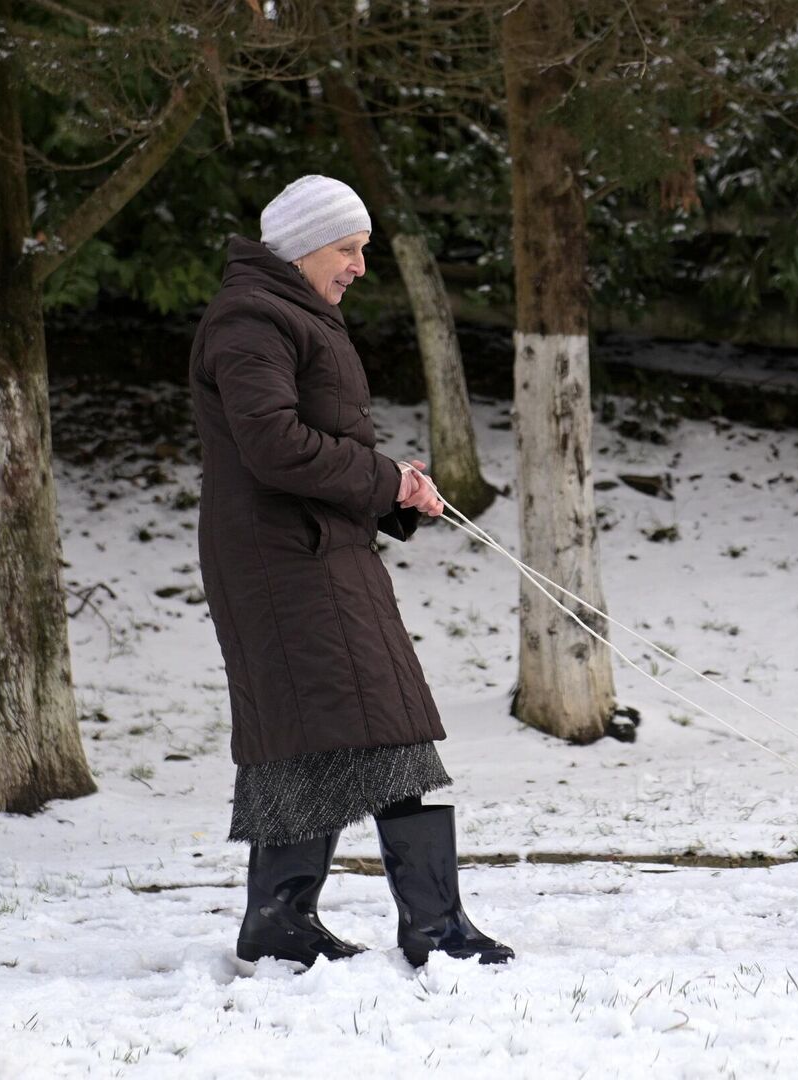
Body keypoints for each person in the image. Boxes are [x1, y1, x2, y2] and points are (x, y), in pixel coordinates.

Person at [190, 175, 511, 968]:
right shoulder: (252, 320)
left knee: (319, 739)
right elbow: (274, 447)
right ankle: (432, 927)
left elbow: (307, 441)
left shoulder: (287, 314)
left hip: (311, 551)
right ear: (302, 248)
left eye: (362, 248)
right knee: (373, 731)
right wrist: (384, 482)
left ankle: (280, 923)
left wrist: (392, 490)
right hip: (285, 563)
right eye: (348, 249)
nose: (360, 266)